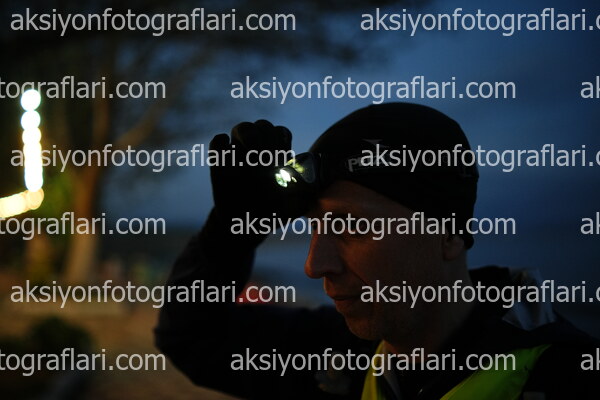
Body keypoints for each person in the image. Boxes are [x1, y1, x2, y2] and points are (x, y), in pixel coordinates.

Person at [155, 103, 598, 399]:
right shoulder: (336, 355)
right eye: (315, 227)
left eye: (351, 225)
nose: (314, 265)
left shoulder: (570, 377)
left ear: (447, 233)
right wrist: (231, 233)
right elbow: (191, 338)